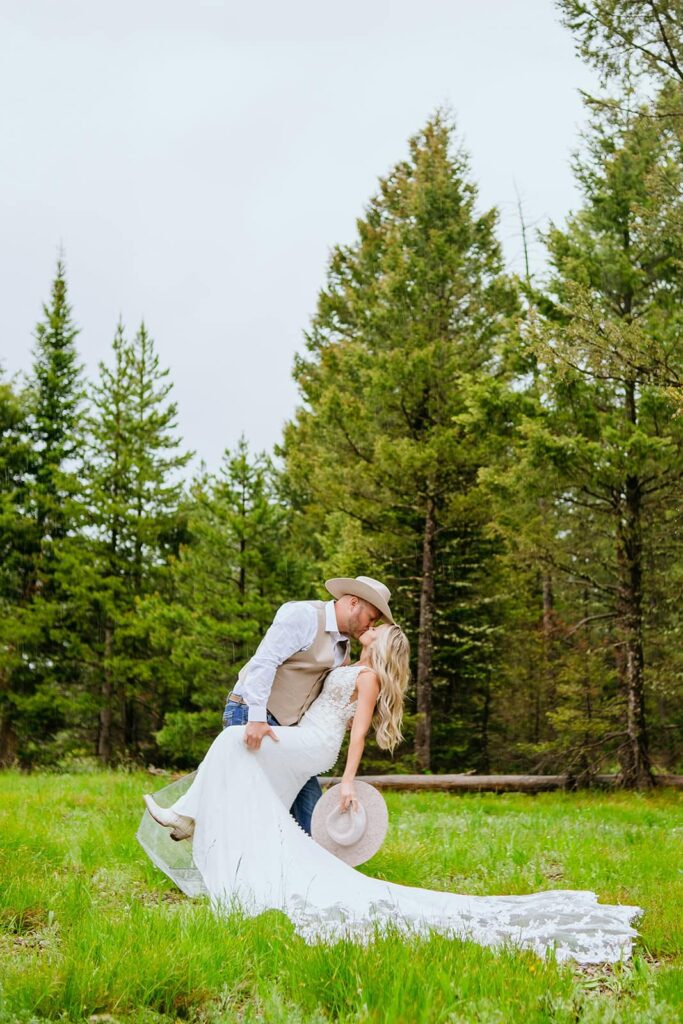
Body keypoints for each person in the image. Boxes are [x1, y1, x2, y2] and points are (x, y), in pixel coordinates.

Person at [139, 620, 642, 964]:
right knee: (236, 751)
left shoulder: (371, 677)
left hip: (316, 745)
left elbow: (356, 733)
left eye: (377, 627)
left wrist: (351, 780)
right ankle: (195, 819)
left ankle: (188, 817)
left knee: (234, 740)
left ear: (382, 644)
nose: (370, 626)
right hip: (304, 737)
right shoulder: (346, 658)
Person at [220, 575, 393, 835]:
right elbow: (264, 661)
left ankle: (306, 862)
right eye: (372, 618)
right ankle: (197, 823)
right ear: (354, 603)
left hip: (289, 731)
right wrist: (256, 718)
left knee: (304, 813)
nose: (371, 626)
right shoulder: (304, 615)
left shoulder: (344, 648)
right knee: (249, 799)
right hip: (252, 713)